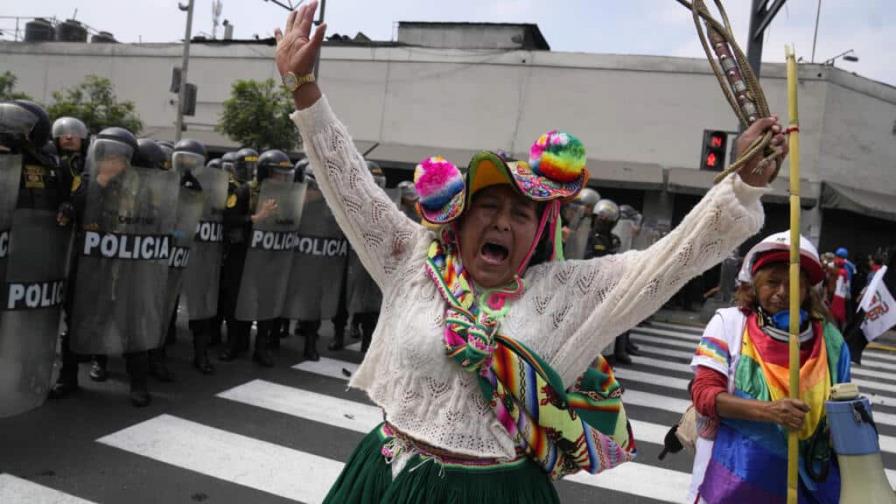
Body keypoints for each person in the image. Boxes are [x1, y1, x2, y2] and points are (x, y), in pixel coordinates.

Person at [274, 3, 786, 500]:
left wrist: (741, 185)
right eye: (487, 207)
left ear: (539, 231)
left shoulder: (568, 293)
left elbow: (673, 257)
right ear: (461, 217)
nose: (501, 221)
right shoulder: (416, 260)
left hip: (496, 491)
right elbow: (352, 189)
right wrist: (304, 89)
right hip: (386, 478)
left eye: (520, 214)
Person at [687, 231, 850, 503]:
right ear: (753, 285)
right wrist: (770, 411)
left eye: (793, 284)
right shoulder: (729, 324)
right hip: (733, 483)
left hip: (810, 486)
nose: (782, 293)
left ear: (807, 289)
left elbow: (842, 414)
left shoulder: (831, 342)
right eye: (772, 282)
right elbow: (703, 394)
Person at [231, 148, 300, 367]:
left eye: (285, 174)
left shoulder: (287, 198)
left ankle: (261, 348)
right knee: (239, 301)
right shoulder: (245, 192)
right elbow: (229, 219)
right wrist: (256, 217)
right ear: (264, 174)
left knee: (266, 303)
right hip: (244, 257)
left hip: (271, 259)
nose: (282, 178)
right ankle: (236, 344)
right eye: (277, 174)